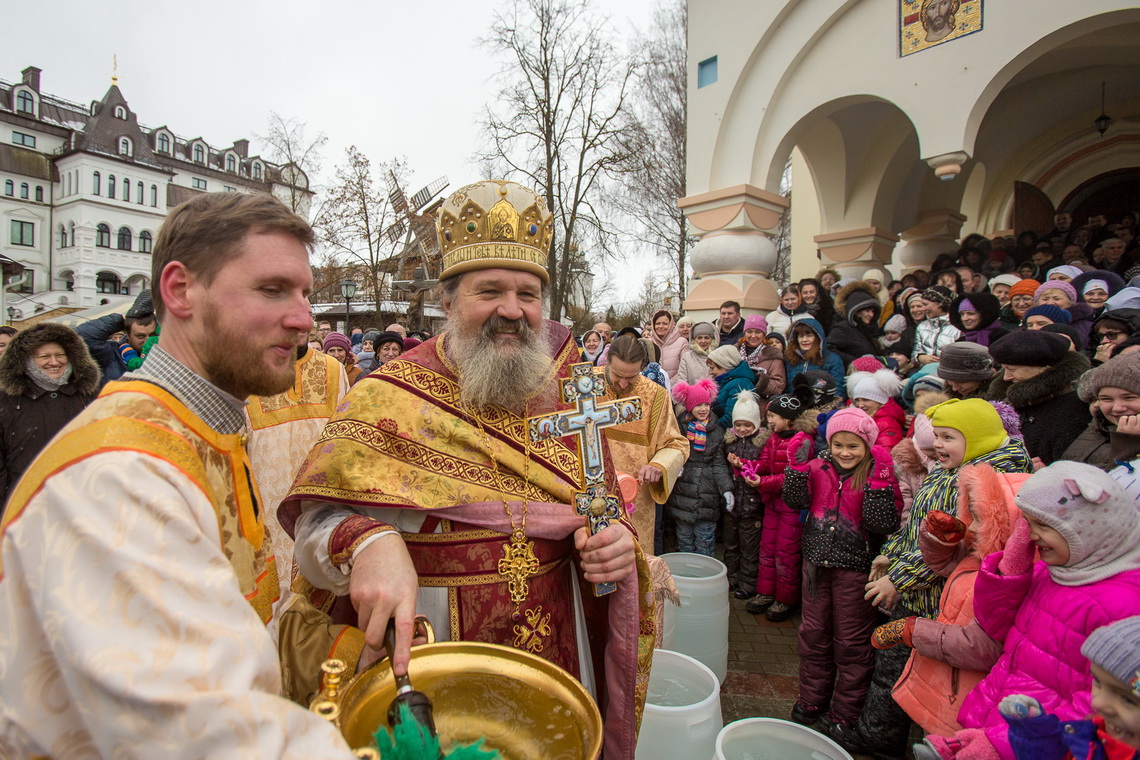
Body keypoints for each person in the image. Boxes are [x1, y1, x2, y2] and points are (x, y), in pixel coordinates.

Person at [282, 180, 652, 759]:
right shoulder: (388, 395)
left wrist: (618, 545)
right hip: (431, 651)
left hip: (555, 647)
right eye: (490, 291)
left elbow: (601, 508)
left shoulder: (566, 394)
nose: (512, 310)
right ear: (448, 301)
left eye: (528, 294)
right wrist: (369, 538)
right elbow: (314, 525)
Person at [0, 192, 364, 756]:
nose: (304, 319)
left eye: (305, 294)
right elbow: (197, 734)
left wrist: (362, 650)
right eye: (272, 289)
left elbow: (242, 624)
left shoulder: (209, 430)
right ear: (179, 290)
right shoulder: (122, 473)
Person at [847, 399, 1032, 757]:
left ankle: (898, 743)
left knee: (920, 680)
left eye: (948, 437)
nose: (937, 444)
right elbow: (918, 527)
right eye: (937, 436)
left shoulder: (982, 483)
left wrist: (897, 579)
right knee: (894, 671)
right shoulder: (947, 470)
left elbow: (949, 545)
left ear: (976, 438)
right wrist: (891, 552)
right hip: (917, 596)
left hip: (941, 604)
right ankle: (879, 738)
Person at [919, 462, 1140, 760]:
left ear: (1090, 527)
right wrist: (1011, 569)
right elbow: (994, 627)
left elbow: (1100, 705)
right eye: (1027, 523)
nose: (1031, 536)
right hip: (1002, 721)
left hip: (1036, 742)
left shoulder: (1121, 604)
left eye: (1043, 525)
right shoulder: (1056, 572)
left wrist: (1005, 742)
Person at [883, 462, 1030, 738]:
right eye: (969, 514)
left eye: (981, 518)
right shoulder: (979, 557)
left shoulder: (1009, 581)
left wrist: (914, 630)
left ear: (1010, 524)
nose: (971, 525)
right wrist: (940, 542)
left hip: (964, 698)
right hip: (943, 684)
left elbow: (982, 647)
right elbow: (947, 566)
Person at [783, 407, 902, 739]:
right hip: (816, 567)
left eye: (853, 446)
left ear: (867, 446)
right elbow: (794, 501)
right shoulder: (818, 468)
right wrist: (795, 469)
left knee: (851, 644)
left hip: (856, 570)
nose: (845, 453)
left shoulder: (877, 473)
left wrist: (880, 481)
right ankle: (812, 700)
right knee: (813, 636)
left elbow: (883, 524)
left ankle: (846, 712)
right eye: (838, 445)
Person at [246, 342, 350, 606]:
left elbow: (348, 439)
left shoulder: (334, 370)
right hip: (267, 505)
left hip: (323, 502)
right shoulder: (245, 371)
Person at [999, 616, 1140, 760]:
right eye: (1098, 682)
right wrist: (1035, 730)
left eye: (1127, 699)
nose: (1097, 703)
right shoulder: (1093, 734)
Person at [0, 323, 100, 509]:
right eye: (44, 356)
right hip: (24, 501)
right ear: (27, 359)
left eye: (60, 355)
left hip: (79, 499)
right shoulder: (7, 398)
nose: (54, 362)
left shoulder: (88, 394)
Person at [740, 386, 815, 621]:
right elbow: (764, 463)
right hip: (772, 503)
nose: (769, 421)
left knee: (787, 553)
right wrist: (746, 465)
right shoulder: (774, 437)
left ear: (788, 418)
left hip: (791, 507)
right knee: (768, 548)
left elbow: (791, 477)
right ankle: (766, 592)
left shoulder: (802, 441)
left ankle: (785, 599)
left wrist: (762, 482)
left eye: (772, 416)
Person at [988, 330, 1091, 465]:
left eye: (1012, 369)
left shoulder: (1074, 408)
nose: (1006, 377)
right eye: (1004, 369)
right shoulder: (1006, 398)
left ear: (1044, 368)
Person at [666, 378, 731, 556]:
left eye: (706, 404)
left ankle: (705, 572)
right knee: (684, 539)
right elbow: (673, 453)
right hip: (683, 492)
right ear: (689, 407)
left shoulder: (717, 432)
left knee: (705, 540)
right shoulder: (679, 429)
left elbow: (719, 464)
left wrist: (726, 489)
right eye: (698, 405)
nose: (703, 409)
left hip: (707, 496)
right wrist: (675, 467)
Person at [722, 389, 772, 601]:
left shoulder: (762, 443)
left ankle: (748, 583)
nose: (742, 429)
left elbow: (765, 467)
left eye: (747, 425)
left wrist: (743, 465)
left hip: (752, 504)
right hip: (733, 503)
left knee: (750, 547)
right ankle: (731, 578)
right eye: (738, 424)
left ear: (756, 424)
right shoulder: (729, 441)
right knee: (731, 544)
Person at [1063, 351, 1140, 470]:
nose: (1117, 408)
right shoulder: (1098, 428)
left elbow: (1122, 480)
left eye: (1129, 398)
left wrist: (1128, 443)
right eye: (1106, 399)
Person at [76, 291, 159, 384]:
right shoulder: (111, 353)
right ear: (127, 334)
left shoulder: (162, 354)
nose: (147, 341)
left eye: (152, 335)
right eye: (140, 336)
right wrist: (122, 320)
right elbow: (82, 335)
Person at [785, 318, 847, 398]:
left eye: (809, 335)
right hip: (795, 403)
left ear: (818, 337)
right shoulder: (790, 359)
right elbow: (787, 388)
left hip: (823, 404)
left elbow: (838, 390)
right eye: (801, 336)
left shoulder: (832, 359)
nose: (804, 340)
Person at [829, 281, 885, 368]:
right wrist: (856, 363)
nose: (871, 314)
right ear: (856, 312)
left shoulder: (869, 330)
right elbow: (830, 350)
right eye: (867, 311)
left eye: (873, 311)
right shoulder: (843, 329)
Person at [848, 369, 906, 451]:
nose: (860, 405)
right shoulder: (867, 418)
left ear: (880, 401)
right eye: (857, 400)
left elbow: (886, 452)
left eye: (866, 400)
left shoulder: (887, 423)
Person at [708, 344, 759, 430]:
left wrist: (707, 429)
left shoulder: (739, 385)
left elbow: (730, 418)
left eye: (712, 368)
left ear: (725, 367)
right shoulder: (724, 382)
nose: (710, 372)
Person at [736, 314, 786, 400]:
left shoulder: (773, 356)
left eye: (758, 332)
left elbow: (778, 386)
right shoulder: (734, 351)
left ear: (764, 334)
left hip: (759, 402)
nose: (753, 336)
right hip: (734, 400)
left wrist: (759, 380)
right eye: (749, 332)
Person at [913, 286, 961, 364]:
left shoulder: (959, 327)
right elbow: (915, 352)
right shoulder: (922, 327)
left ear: (940, 303)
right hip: (924, 369)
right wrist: (919, 357)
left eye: (926, 304)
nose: (923, 309)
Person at [648, 309, 695, 384]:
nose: (661, 326)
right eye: (657, 323)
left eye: (665, 324)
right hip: (652, 387)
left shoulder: (682, 342)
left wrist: (667, 384)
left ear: (671, 325)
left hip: (674, 387)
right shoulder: (648, 343)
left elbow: (684, 369)